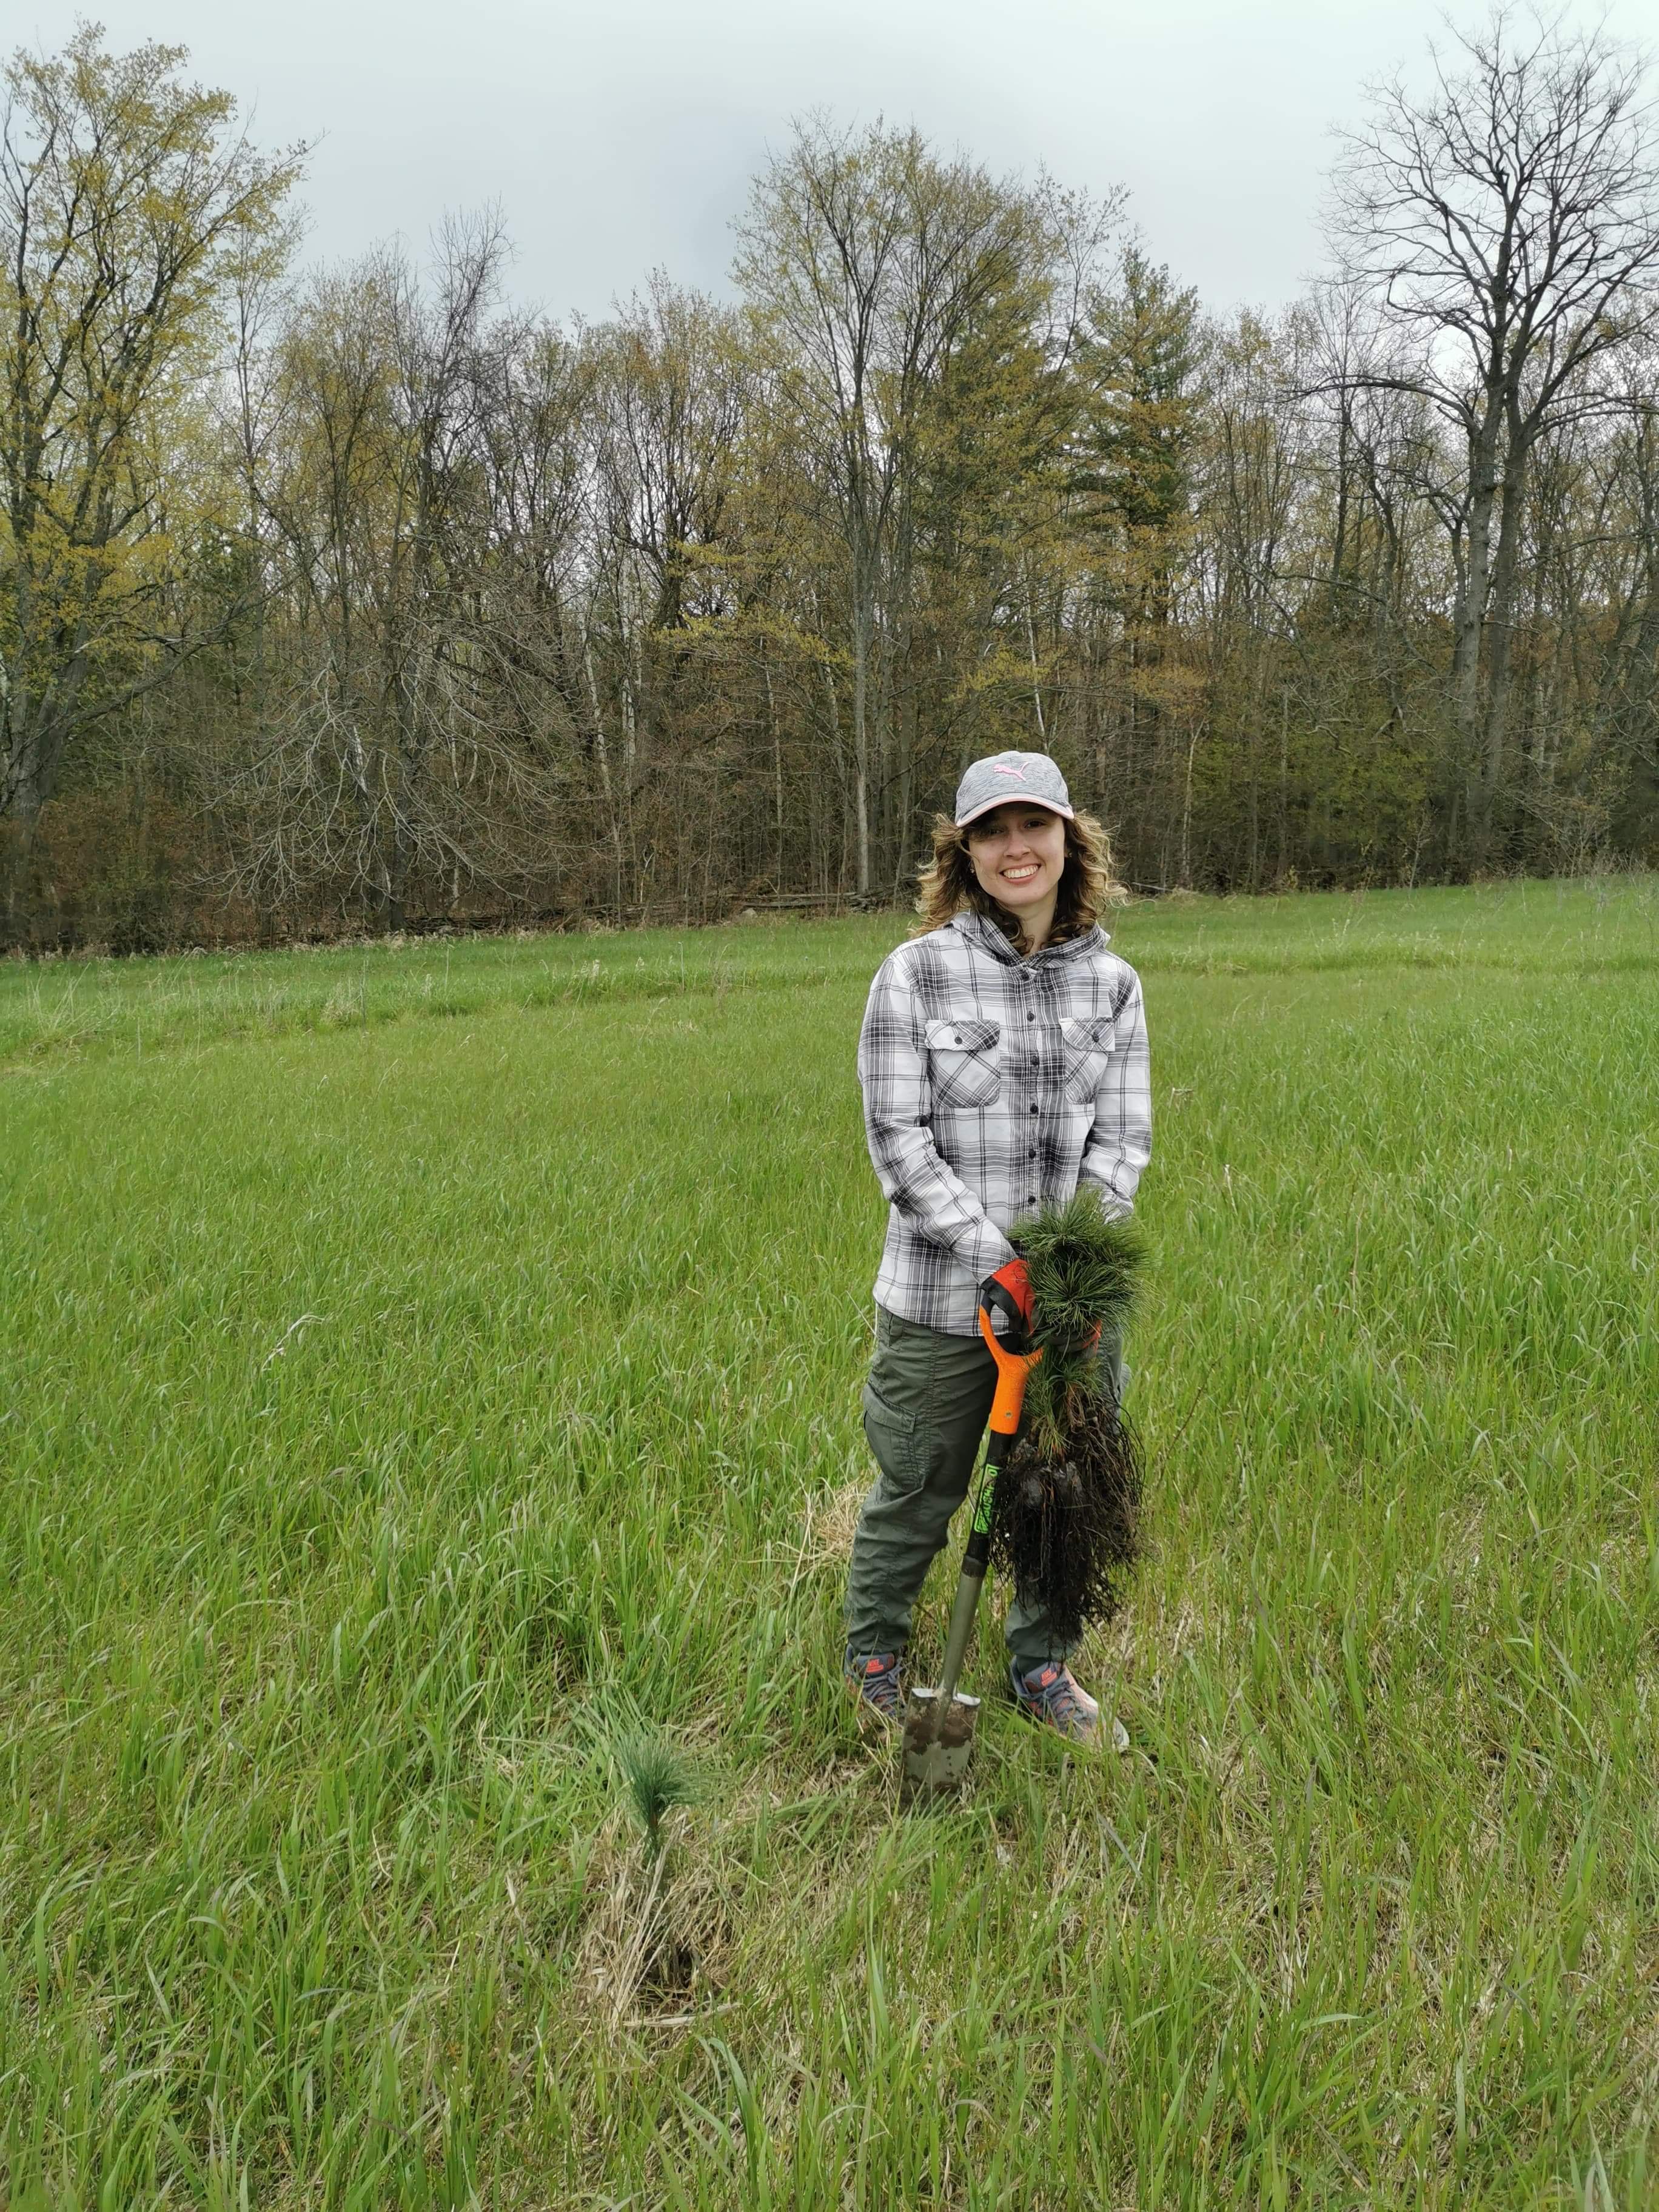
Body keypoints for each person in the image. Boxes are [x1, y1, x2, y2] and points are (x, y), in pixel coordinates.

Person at [843, 749, 1152, 1743]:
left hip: (1065, 1311)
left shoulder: (1113, 985)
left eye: (1034, 827)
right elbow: (898, 1138)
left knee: (1060, 1496)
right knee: (921, 1483)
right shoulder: (916, 974)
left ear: (1070, 838)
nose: (1016, 849)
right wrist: (995, 1258)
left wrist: (1074, 1271)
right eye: (992, 832)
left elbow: (1124, 1138)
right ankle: (878, 1656)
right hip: (942, 1300)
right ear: (965, 854)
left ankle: (1040, 1666)